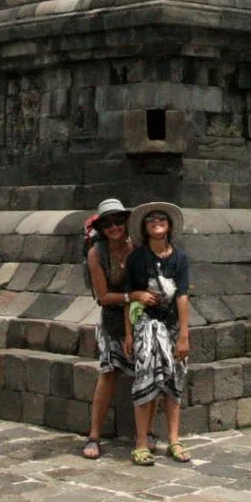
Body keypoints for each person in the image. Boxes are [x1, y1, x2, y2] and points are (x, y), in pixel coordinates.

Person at [123, 200, 193, 466]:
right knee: (145, 379)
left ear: (170, 226)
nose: (156, 223)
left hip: (172, 325)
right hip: (146, 324)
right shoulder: (137, 259)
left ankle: (174, 439)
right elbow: (129, 298)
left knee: (174, 380)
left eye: (161, 219)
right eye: (150, 220)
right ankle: (141, 443)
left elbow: (182, 296)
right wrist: (129, 334)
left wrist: (184, 335)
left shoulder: (180, 258)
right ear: (144, 228)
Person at [79, 198, 133, 460]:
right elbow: (103, 296)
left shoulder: (135, 246)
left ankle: (144, 434)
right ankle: (94, 434)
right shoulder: (96, 254)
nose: (114, 227)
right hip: (112, 316)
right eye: (108, 223)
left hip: (139, 315)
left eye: (118, 221)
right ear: (101, 228)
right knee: (109, 371)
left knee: (147, 371)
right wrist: (131, 297)